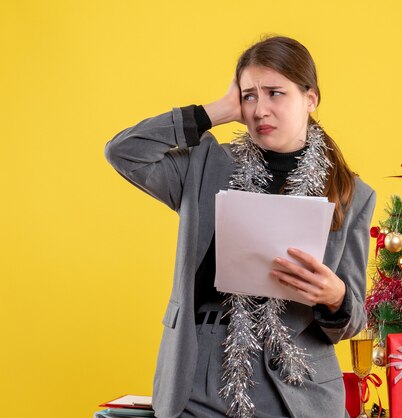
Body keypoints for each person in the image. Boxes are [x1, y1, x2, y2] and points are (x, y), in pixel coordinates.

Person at [104, 35, 376, 418]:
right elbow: (124, 152)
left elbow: (351, 321)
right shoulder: (205, 165)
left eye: (275, 93)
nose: (261, 109)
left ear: (310, 98)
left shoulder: (352, 193)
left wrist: (335, 296)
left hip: (295, 387)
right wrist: (213, 112)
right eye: (250, 95)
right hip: (199, 371)